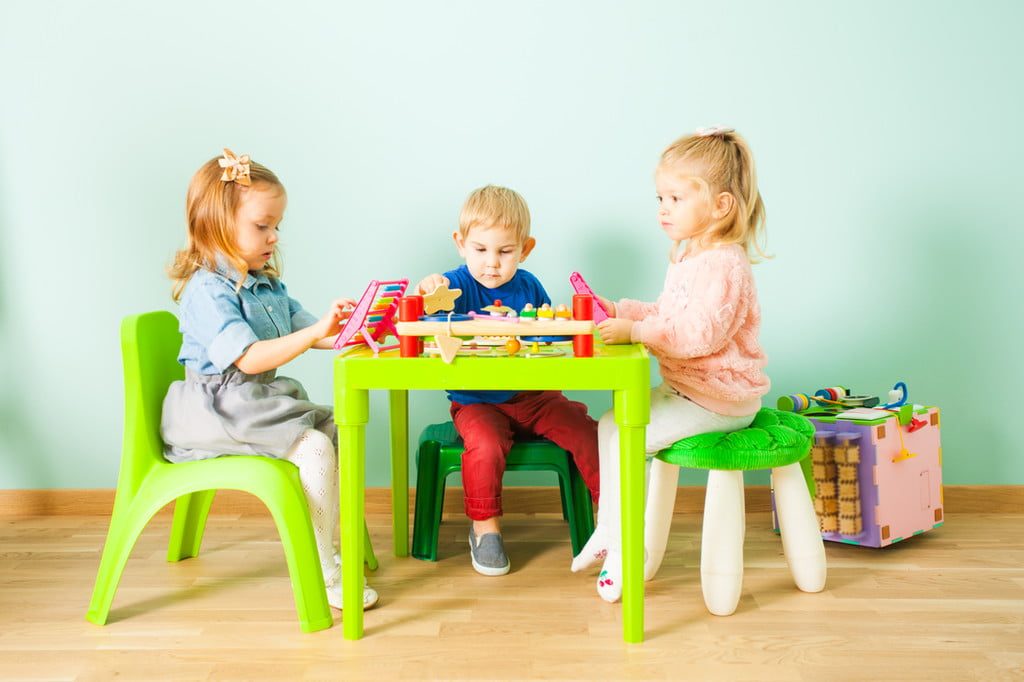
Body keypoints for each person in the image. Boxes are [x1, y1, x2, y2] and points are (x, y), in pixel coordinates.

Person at [161, 148, 378, 610]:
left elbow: (308, 330)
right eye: (262, 226)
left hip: (252, 401)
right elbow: (249, 358)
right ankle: (323, 570)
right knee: (315, 446)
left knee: (339, 429)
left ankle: (334, 543)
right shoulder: (206, 289)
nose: (274, 236)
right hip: (216, 408)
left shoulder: (264, 281)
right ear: (217, 224)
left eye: (277, 226)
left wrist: (350, 328)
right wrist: (318, 332)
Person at [572, 127, 777, 611]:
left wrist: (637, 334)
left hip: (721, 400)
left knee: (628, 435)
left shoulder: (726, 265)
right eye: (660, 197)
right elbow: (668, 314)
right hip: (689, 392)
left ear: (720, 206)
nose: (663, 208)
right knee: (609, 423)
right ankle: (610, 526)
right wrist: (616, 307)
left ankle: (624, 550)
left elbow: (698, 334)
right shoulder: (688, 257)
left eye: (676, 198)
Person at [416, 185, 600, 576]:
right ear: (461, 244)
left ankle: (614, 517)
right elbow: (430, 305)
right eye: (480, 250)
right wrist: (429, 287)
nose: (492, 264)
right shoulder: (456, 285)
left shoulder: (529, 286)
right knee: (483, 445)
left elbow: (551, 335)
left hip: (535, 397)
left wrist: (560, 331)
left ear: (525, 249)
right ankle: (485, 529)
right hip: (476, 401)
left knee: (588, 432)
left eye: (505, 252)